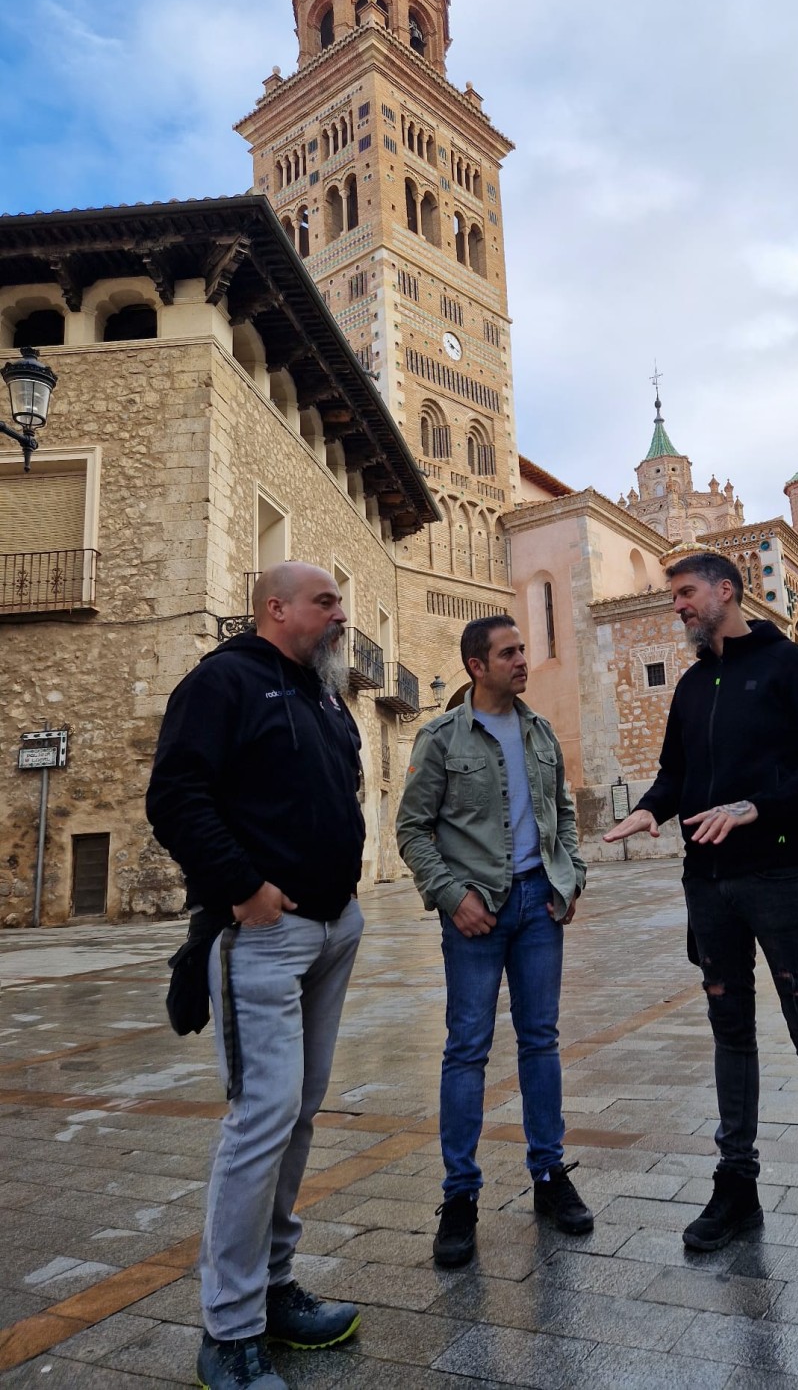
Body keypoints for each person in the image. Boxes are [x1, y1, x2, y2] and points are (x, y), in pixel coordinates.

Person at [604, 552, 798, 1289]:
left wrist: (759, 805)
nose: (678, 607)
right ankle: (738, 1189)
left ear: (726, 592)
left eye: (687, 594)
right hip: (710, 884)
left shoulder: (786, 665)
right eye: (674, 598)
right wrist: (646, 810)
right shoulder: (692, 685)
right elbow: (675, 772)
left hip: (784, 874)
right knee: (730, 1030)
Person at [147, 562, 366, 1389]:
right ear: (277, 608)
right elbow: (175, 796)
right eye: (326, 601)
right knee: (261, 1116)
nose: (340, 615)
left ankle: (274, 1289)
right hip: (265, 934)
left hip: (332, 928)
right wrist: (243, 888)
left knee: (299, 1111)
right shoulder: (224, 681)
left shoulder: (320, 692)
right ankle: (229, 1328)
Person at [396, 614, 592, 1267]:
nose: (522, 660)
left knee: (541, 1039)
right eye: (508, 652)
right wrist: (454, 897)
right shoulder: (441, 737)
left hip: (539, 904)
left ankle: (548, 1175)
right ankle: (459, 1196)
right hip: (475, 914)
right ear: (476, 665)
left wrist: (570, 875)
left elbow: (562, 812)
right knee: (467, 1049)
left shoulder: (539, 731)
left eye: (522, 650)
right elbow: (414, 831)